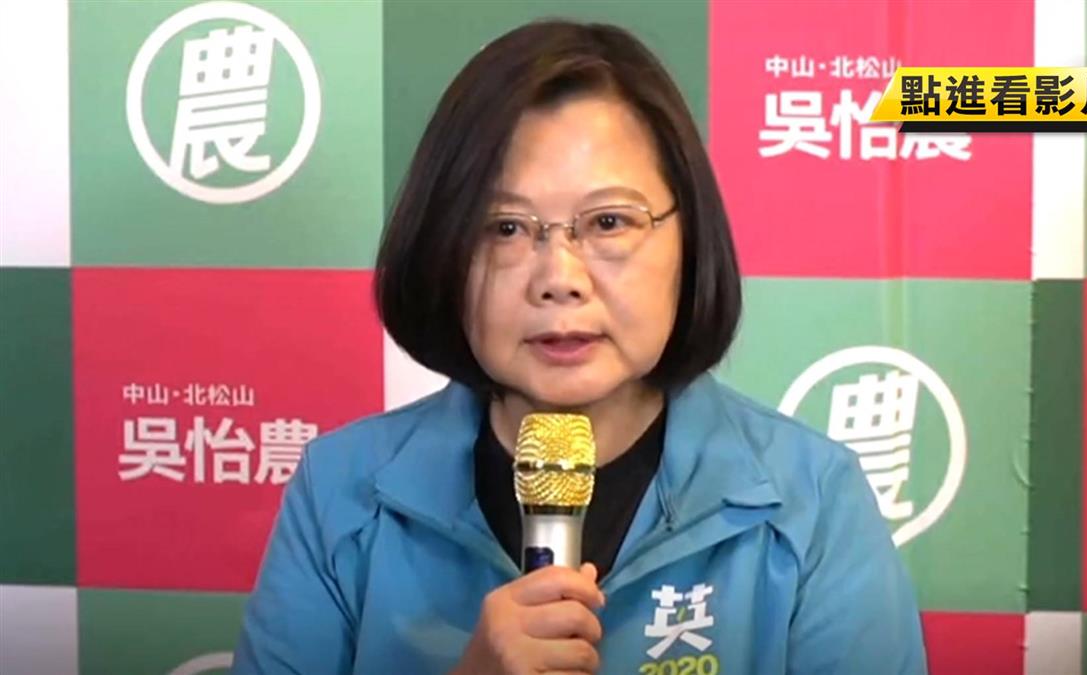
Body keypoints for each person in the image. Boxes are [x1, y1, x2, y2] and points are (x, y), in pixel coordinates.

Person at [232, 18, 927, 675]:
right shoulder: (341, 491)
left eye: (609, 222)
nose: (559, 278)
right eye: (505, 228)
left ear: (688, 239)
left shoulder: (811, 500)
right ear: (445, 248)